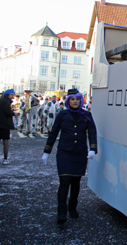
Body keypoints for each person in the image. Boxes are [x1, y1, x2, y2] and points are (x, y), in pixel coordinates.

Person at [42, 89, 98, 226]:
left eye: (77, 99)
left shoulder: (87, 115)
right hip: (64, 152)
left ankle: (72, 207)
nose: (75, 101)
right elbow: (53, 133)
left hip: (79, 153)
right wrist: (46, 151)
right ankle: (61, 212)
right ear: (68, 101)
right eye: (72, 99)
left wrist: (93, 149)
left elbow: (92, 133)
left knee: (76, 182)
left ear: (80, 101)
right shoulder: (62, 114)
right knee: (64, 180)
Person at [0, 89, 17, 165]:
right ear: (8, 95)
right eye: (12, 95)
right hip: (5, 124)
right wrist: (13, 113)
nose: (13, 96)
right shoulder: (7, 101)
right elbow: (7, 112)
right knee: (5, 142)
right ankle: (5, 159)